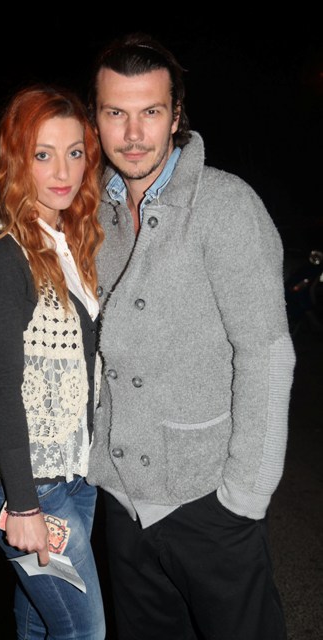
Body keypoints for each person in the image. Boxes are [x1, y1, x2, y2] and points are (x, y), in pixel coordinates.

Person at [86, 32, 296, 640]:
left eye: (150, 112)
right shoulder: (93, 213)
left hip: (207, 500)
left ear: (176, 116)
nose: (133, 134)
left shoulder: (226, 206)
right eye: (115, 113)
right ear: (95, 118)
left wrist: (244, 498)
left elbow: (266, 354)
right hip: (122, 497)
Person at [0, 84, 106, 639]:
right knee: (84, 631)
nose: (63, 171)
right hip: (28, 487)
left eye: (75, 152)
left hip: (74, 474)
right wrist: (23, 506)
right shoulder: (4, 255)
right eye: (43, 154)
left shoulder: (69, 239)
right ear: (15, 160)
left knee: (40, 621)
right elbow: (2, 385)